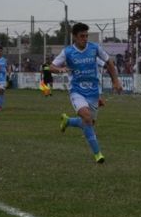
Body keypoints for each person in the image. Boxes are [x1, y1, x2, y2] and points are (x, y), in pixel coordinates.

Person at [50, 23, 122, 164]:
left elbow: (109, 62)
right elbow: (51, 66)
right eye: (82, 36)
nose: (85, 38)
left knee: (89, 122)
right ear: (75, 37)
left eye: (86, 36)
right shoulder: (68, 52)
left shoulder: (95, 48)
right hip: (77, 91)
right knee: (87, 118)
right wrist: (60, 70)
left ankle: (68, 121)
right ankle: (98, 154)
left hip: (93, 92)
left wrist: (116, 81)